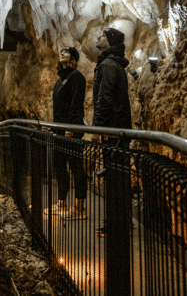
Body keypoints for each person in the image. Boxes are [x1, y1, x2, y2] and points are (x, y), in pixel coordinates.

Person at [91, 27, 132, 293]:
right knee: (119, 173)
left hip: (112, 128)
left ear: (111, 42)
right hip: (120, 127)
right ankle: (119, 221)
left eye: (103, 35)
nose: (98, 37)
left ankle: (117, 224)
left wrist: (98, 129)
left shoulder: (107, 64)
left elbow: (104, 98)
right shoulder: (114, 63)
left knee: (115, 174)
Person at [50, 47, 88, 220]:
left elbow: (75, 105)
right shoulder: (61, 79)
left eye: (66, 51)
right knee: (59, 166)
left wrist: (71, 127)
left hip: (70, 130)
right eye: (61, 52)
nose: (61, 53)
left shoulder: (76, 77)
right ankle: (61, 203)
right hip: (59, 129)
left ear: (73, 56)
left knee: (76, 167)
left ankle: (80, 208)